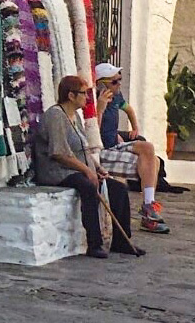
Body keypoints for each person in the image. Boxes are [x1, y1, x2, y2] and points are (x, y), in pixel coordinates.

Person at [36, 74, 143, 259]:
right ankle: (94, 244)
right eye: (84, 93)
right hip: (57, 171)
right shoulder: (55, 115)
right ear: (71, 95)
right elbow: (59, 153)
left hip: (76, 168)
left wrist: (96, 168)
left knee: (118, 189)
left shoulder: (75, 116)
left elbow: (82, 150)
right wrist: (86, 170)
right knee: (88, 186)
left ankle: (121, 241)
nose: (87, 97)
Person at [92, 62, 169, 234]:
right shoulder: (94, 101)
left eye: (119, 80)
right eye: (114, 82)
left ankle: (149, 205)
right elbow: (91, 133)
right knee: (153, 164)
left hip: (115, 142)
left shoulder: (117, 97)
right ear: (101, 83)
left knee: (148, 149)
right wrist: (100, 109)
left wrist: (134, 129)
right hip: (101, 148)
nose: (119, 84)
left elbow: (129, 110)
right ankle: (148, 214)